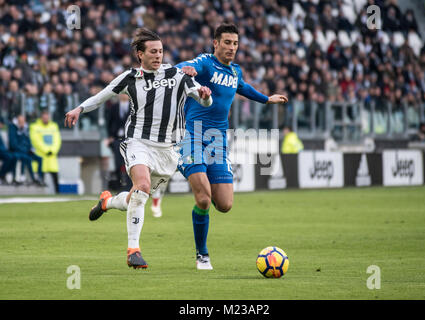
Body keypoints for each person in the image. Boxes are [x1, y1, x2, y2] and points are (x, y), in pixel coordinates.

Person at [64, 28, 213, 269]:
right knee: (142, 187)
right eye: (153, 51)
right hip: (138, 142)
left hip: (168, 151)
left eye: (161, 51)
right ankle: (133, 250)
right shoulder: (129, 78)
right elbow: (101, 96)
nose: (158, 55)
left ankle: (107, 202)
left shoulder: (179, 74)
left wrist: (205, 95)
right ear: (139, 54)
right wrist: (79, 109)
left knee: (137, 198)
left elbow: (204, 98)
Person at [176, 23, 288, 270]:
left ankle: (202, 205)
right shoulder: (206, 62)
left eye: (235, 43)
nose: (231, 47)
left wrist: (267, 99)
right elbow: (186, 67)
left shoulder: (235, 71)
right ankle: (202, 254)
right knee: (204, 198)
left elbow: (243, 88)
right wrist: (185, 70)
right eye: (227, 42)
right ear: (216, 43)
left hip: (218, 140)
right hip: (192, 135)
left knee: (224, 204)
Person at [30, 109, 61, 193]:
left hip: (51, 157)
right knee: (41, 178)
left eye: (47, 117)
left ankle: (58, 194)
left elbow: (57, 140)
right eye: (44, 117)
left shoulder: (54, 126)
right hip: (41, 156)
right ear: (41, 118)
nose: (46, 119)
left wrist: (52, 150)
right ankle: (40, 194)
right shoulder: (34, 126)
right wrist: (47, 150)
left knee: (55, 178)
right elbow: (35, 141)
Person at [8, 115, 45, 185]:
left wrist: (31, 149)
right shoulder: (13, 128)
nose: (22, 123)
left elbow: (28, 141)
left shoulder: (26, 129)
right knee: (26, 158)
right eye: (20, 122)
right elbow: (13, 144)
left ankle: (40, 178)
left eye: (23, 122)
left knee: (40, 159)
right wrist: (25, 150)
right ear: (17, 122)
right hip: (17, 151)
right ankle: (29, 178)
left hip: (26, 151)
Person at [0, 117, 17, 185]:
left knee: (14, 157)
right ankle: (1, 175)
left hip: (4, 151)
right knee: (9, 157)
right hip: (2, 151)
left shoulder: (4, 132)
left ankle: (4, 174)